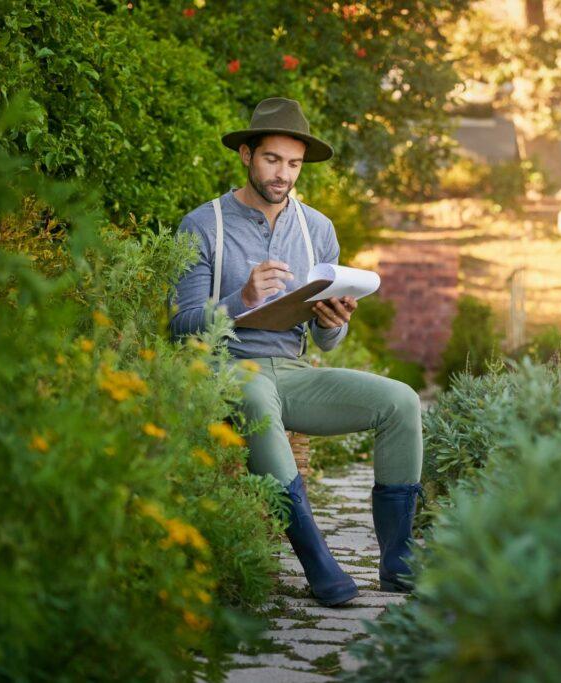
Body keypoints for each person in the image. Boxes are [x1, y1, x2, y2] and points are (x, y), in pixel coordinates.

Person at [169, 97, 423, 607]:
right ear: (246, 154)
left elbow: (326, 342)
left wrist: (335, 321)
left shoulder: (317, 229)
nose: (283, 174)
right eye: (271, 160)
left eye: (293, 164)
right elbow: (181, 328)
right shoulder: (203, 224)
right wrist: (240, 298)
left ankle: (398, 562)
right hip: (229, 368)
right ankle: (317, 561)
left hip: (293, 369)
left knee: (402, 401)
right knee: (260, 404)